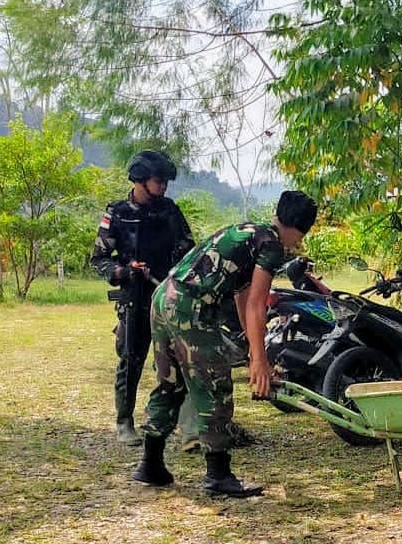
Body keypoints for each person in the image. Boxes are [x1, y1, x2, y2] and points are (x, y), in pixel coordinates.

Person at [132, 190, 319, 497]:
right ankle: (218, 475)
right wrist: (259, 361)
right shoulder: (271, 244)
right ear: (300, 229)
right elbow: (258, 305)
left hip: (165, 297)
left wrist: (252, 348)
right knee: (214, 384)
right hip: (191, 308)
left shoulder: (248, 231)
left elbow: (242, 295)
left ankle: (150, 465)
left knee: (171, 382)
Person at [90, 150, 194, 446]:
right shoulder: (118, 213)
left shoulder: (170, 211)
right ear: (139, 179)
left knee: (179, 361)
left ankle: (177, 424)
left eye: (165, 182)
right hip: (135, 297)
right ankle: (125, 422)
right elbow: (98, 259)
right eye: (158, 181)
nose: (163, 187)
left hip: (169, 296)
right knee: (130, 360)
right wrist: (123, 271)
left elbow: (188, 247)